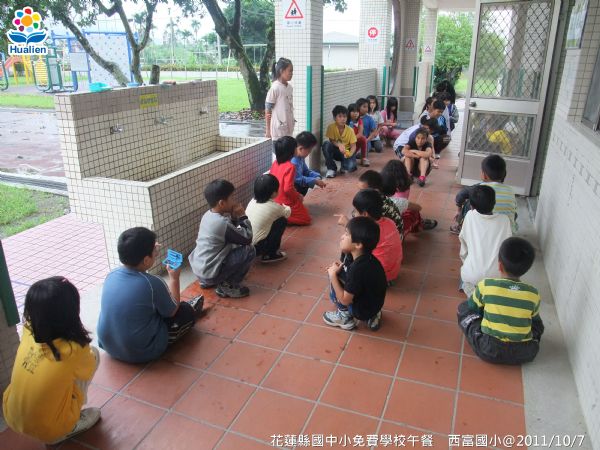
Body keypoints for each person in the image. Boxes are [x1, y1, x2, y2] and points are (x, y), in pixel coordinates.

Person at [3, 277, 101, 444]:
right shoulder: (75, 350)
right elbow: (88, 369)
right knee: (94, 355)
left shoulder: (28, 330)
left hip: (11, 414)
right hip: (50, 429)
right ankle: (69, 423)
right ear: (70, 312)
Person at [99, 227, 203, 363]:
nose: (157, 251)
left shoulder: (111, 275)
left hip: (108, 345)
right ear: (146, 260)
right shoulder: (152, 283)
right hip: (141, 351)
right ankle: (192, 309)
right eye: (154, 250)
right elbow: (172, 311)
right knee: (184, 311)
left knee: (146, 308)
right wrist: (174, 278)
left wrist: (150, 248)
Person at [457, 237, 544, 365]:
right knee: (537, 324)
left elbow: (472, 307)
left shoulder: (486, 285)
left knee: (463, 308)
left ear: (499, 265)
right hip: (525, 352)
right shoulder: (533, 293)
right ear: (526, 269)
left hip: (489, 349)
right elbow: (535, 322)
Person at [189, 179, 255, 297]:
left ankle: (207, 281)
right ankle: (228, 286)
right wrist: (242, 216)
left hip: (200, 270)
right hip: (209, 273)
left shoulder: (208, 215)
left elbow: (230, 234)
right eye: (232, 197)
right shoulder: (221, 223)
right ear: (222, 203)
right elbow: (247, 238)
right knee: (249, 250)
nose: (234, 200)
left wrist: (233, 218)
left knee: (234, 245)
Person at [323, 216, 387, 331]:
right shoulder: (369, 259)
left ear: (358, 244)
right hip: (376, 305)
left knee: (335, 276)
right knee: (343, 273)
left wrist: (333, 275)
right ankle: (373, 315)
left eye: (346, 234)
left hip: (361, 311)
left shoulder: (357, 269)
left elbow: (345, 300)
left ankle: (344, 317)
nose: (342, 237)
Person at [337, 189, 402, 285]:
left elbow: (355, 238)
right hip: (393, 271)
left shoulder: (369, 230)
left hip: (379, 277)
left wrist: (348, 225)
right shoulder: (389, 221)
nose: (354, 214)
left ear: (365, 214)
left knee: (349, 245)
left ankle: (344, 271)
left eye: (355, 211)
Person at [459, 185, 512, 297]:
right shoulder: (505, 220)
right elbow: (507, 249)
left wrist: (466, 262)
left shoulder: (469, 216)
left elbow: (463, 246)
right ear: (494, 203)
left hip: (472, 276)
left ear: (471, 206)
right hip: (497, 277)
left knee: (467, 279)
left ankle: (474, 295)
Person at [451, 154, 518, 234]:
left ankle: (459, 225)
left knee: (470, 201)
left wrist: (459, 210)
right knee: (514, 212)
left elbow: (461, 195)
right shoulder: (510, 191)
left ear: (484, 175)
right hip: (507, 234)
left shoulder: (479, 188)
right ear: (504, 174)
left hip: (483, 232)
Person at [380, 159, 438, 235]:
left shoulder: (374, 197)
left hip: (375, 234)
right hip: (393, 234)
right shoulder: (398, 201)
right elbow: (418, 208)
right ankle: (419, 224)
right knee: (413, 212)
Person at [246, 174, 290, 263]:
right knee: (282, 221)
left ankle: (265, 250)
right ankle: (270, 254)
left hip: (245, 245)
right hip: (256, 248)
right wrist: (285, 206)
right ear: (273, 193)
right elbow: (287, 213)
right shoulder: (274, 207)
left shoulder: (252, 201)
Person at [270, 136, 312, 225]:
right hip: (284, 201)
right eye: (296, 147)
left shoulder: (275, 163)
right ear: (291, 151)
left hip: (273, 199)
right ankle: (282, 217)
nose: (297, 149)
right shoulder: (290, 166)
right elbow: (288, 189)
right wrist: (298, 196)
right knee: (306, 219)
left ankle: (279, 215)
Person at [358, 170, 404, 237]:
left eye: (362, 191)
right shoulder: (379, 197)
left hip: (391, 238)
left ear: (376, 191)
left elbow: (364, 229)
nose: (359, 193)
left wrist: (347, 223)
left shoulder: (377, 206)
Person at [322, 105, 357, 178]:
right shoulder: (331, 127)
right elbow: (331, 140)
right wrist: (339, 145)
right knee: (326, 144)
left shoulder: (350, 130)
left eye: (344, 116)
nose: (343, 119)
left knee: (350, 167)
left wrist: (349, 154)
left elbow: (353, 146)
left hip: (347, 152)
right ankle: (331, 169)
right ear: (335, 118)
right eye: (340, 116)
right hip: (336, 151)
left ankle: (344, 166)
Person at [265, 57, 294, 140]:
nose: (292, 73)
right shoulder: (275, 88)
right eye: (290, 71)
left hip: (289, 130)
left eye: (292, 71)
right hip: (278, 132)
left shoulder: (290, 87)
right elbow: (268, 110)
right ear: (281, 71)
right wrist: (268, 130)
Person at [292, 131, 326, 196]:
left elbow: (306, 171)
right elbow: (297, 179)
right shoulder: (294, 161)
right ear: (300, 148)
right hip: (292, 188)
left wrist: (317, 176)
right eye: (309, 150)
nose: (309, 153)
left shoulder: (301, 158)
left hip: (297, 185)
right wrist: (315, 181)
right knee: (301, 184)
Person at [356, 97, 378, 165]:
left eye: (367, 107)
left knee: (361, 153)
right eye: (364, 107)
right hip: (353, 141)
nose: (366, 109)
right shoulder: (354, 117)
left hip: (365, 142)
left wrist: (367, 140)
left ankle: (363, 158)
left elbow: (374, 131)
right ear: (358, 107)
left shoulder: (369, 119)